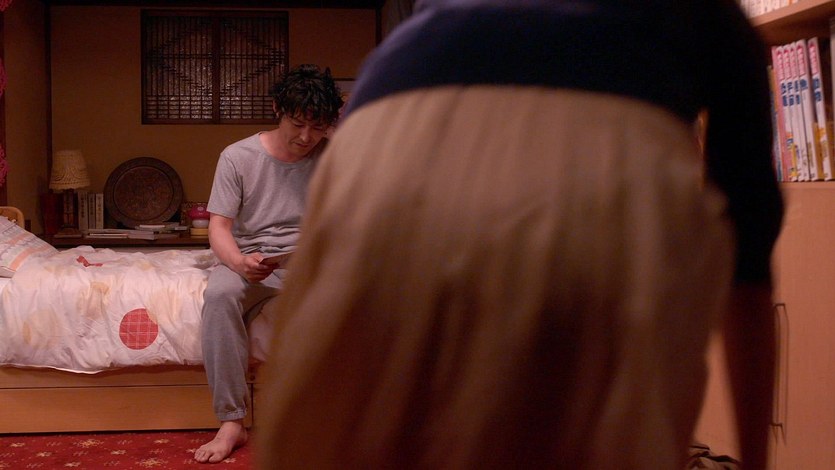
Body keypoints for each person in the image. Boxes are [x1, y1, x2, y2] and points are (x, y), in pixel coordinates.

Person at [256, 1, 783, 469]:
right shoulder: (705, 17)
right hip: (607, 117)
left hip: (390, 107)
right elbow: (748, 257)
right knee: (592, 425)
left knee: (369, 423)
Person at [194, 64, 343, 464]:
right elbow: (219, 228)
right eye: (297, 124)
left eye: (318, 127)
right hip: (251, 259)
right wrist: (240, 262)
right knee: (220, 296)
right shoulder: (237, 157)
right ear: (278, 109)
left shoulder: (335, 156)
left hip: (308, 260)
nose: (306, 137)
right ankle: (232, 421)